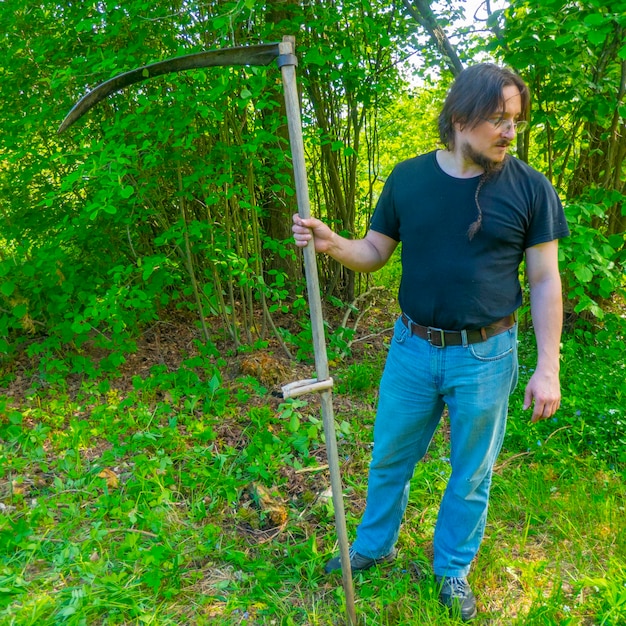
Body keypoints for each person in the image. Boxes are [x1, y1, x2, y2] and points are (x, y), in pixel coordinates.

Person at [292, 63, 569, 622]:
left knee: (471, 471)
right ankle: (372, 546)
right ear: (460, 117)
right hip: (413, 350)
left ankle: (451, 570)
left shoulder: (530, 188)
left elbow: (544, 280)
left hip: (487, 354)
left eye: (514, 119)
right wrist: (332, 244)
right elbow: (373, 253)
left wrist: (549, 366)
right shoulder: (409, 179)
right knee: (390, 455)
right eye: (497, 119)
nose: (510, 131)